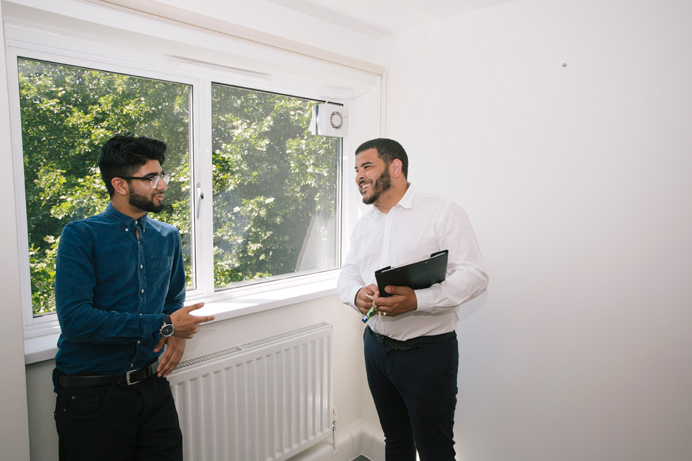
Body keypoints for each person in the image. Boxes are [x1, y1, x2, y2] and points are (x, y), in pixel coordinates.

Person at [53, 133, 215, 461]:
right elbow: (75, 320)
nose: (162, 184)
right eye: (151, 178)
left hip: (152, 386)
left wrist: (175, 336)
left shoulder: (167, 235)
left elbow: (172, 297)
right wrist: (166, 326)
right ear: (120, 184)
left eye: (162, 175)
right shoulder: (81, 236)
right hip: (92, 395)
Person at [337, 138, 489, 461]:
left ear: (395, 167)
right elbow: (346, 275)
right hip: (376, 350)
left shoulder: (442, 212)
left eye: (367, 166)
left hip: (428, 356)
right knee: (395, 441)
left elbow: (475, 276)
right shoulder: (364, 226)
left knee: (435, 451)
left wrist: (418, 300)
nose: (358, 176)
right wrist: (356, 294)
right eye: (356, 170)